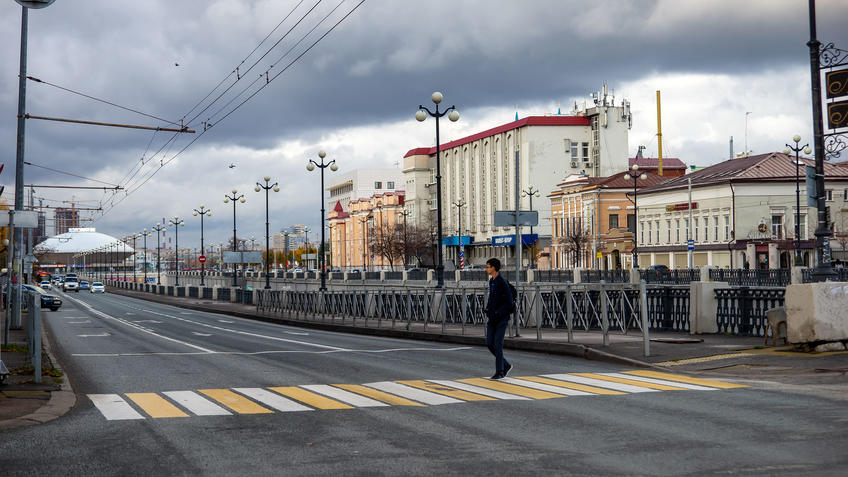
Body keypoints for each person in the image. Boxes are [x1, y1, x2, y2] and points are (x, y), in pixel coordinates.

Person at [483, 258, 513, 379]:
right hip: (492, 317)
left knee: (497, 344)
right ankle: (505, 365)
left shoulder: (502, 282)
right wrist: (487, 308)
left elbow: (509, 302)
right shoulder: (492, 281)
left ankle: (499, 372)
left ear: (494, 268)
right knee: (490, 343)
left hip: (501, 318)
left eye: (488, 266)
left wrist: (498, 312)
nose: (486, 269)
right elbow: (492, 298)